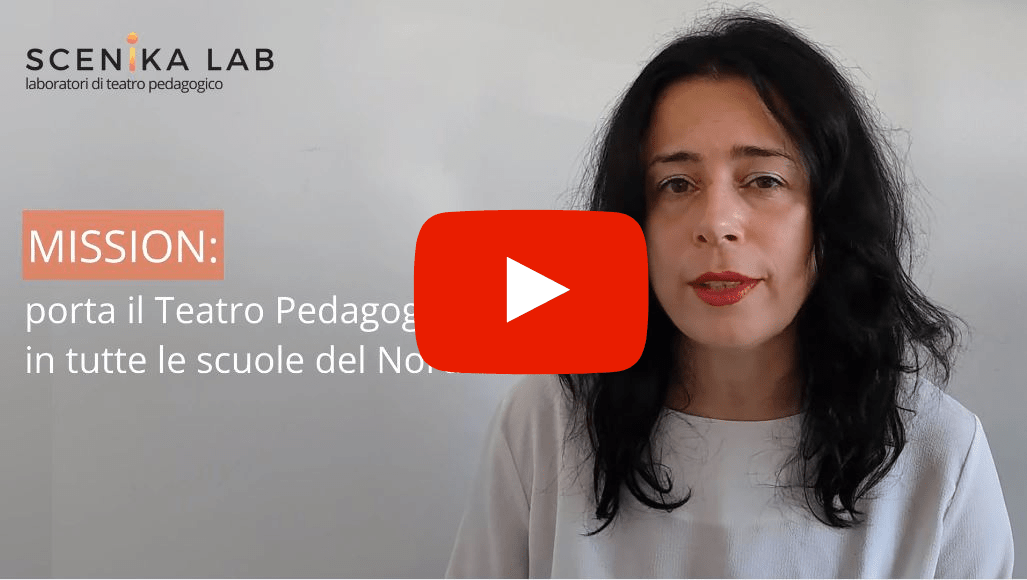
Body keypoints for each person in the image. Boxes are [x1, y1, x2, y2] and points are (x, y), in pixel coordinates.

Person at [445, 10, 1015, 578]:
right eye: (676, 184)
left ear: (831, 216)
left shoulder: (940, 453)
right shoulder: (546, 423)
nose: (716, 223)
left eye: (764, 180)